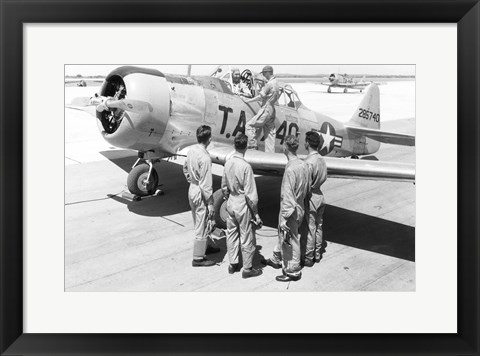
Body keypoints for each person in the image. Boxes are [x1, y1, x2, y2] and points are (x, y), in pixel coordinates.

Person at [262, 135, 310, 282]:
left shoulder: (290, 169)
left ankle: (293, 271)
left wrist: (285, 217)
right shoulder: (303, 164)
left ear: (285, 147)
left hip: (290, 210)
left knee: (291, 240)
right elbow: (307, 188)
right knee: (284, 237)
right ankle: (276, 259)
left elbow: (287, 195)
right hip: (300, 205)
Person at [221, 134, 263, 278]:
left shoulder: (228, 163)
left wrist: (228, 199)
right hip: (242, 204)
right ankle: (247, 268)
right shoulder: (246, 167)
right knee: (246, 236)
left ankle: (232, 264)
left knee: (231, 234)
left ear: (234, 146)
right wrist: (256, 214)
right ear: (246, 147)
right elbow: (251, 195)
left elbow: (224, 187)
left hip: (231, 201)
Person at [183, 125, 220, 267]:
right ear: (209, 139)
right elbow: (206, 185)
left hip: (192, 188)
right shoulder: (205, 157)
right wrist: (210, 203)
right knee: (201, 223)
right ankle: (198, 258)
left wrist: (191, 179)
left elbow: (185, 167)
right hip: (200, 191)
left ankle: (206, 246)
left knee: (199, 221)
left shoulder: (192, 150)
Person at [302, 131, 328, 267]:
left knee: (310, 228)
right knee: (319, 226)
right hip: (320, 196)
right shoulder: (322, 160)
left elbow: (305, 184)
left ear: (307, 143)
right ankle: (317, 255)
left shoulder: (308, 162)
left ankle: (308, 257)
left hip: (311, 197)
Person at [243, 65, 279, 153]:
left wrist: (248, 101)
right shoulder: (276, 83)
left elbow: (260, 97)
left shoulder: (269, 84)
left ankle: (252, 148)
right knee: (270, 133)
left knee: (249, 126)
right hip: (272, 109)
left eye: (264, 73)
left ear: (267, 73)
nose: (263, 75)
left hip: (266, 108)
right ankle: (270, 155)